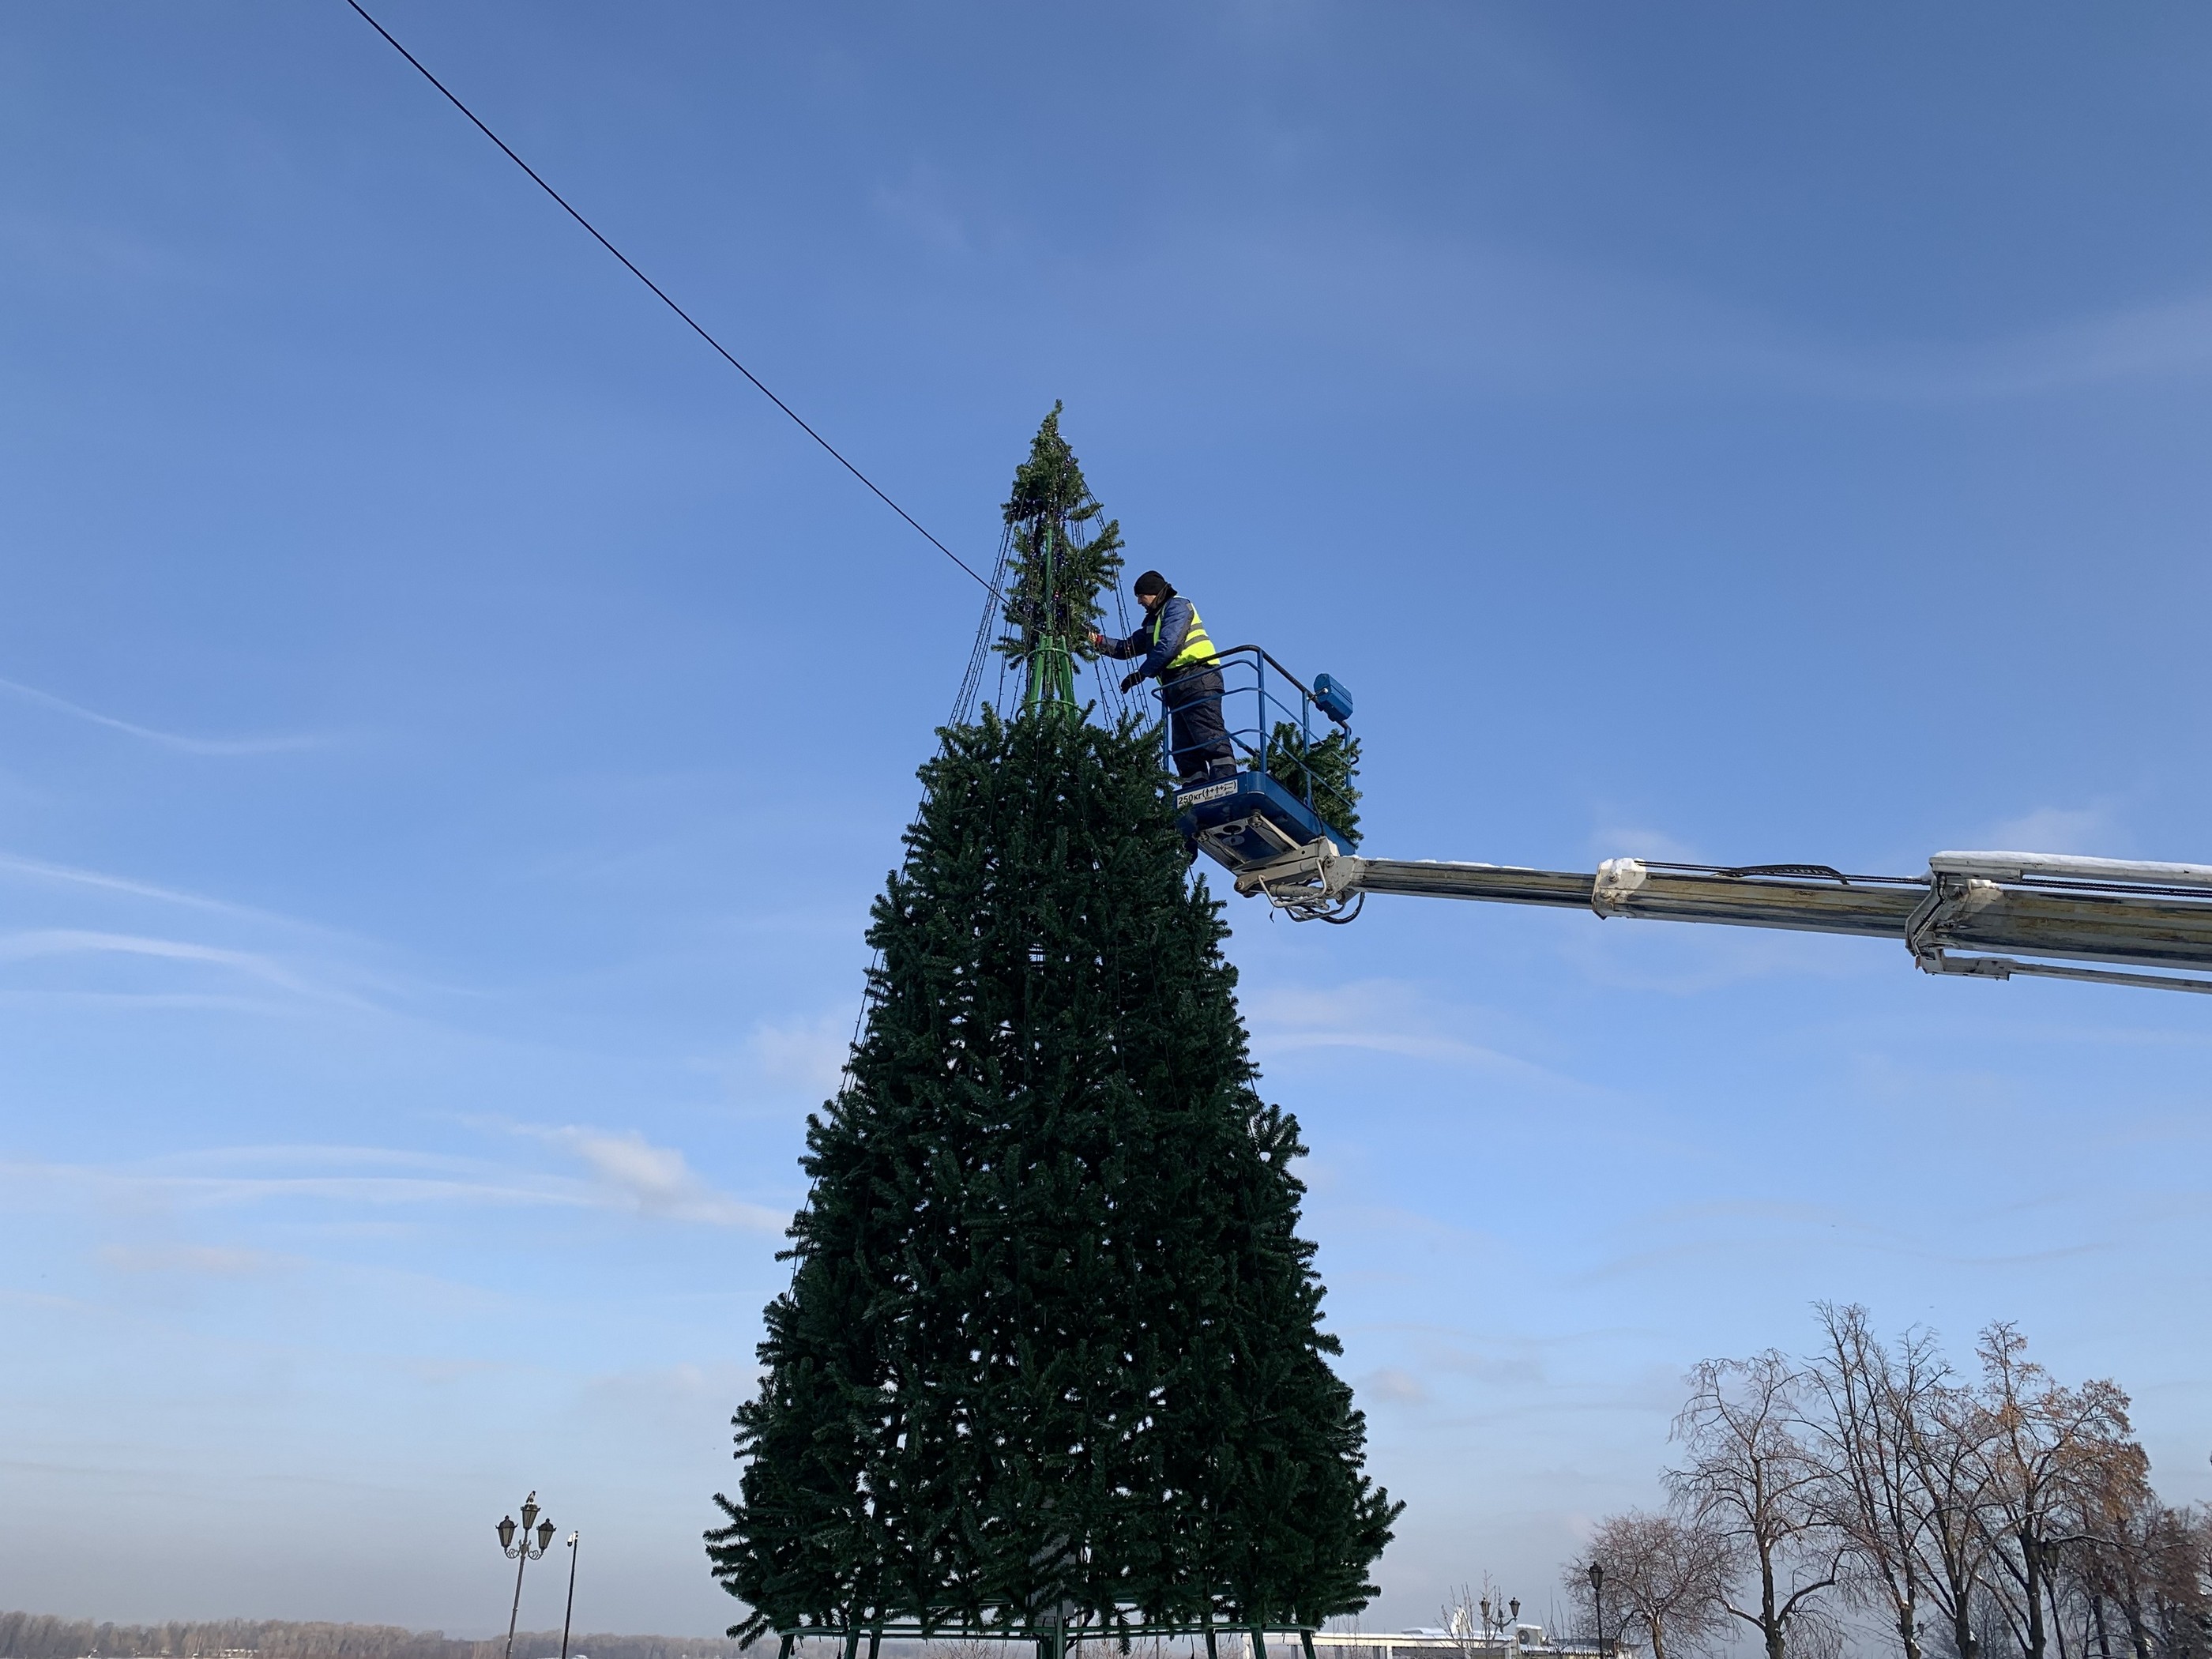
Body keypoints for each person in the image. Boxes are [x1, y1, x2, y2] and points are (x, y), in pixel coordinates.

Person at [1093, 570, 1236, 784]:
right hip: (1177, 687)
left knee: (1208, 734)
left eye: (1141, 595)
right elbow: (1126, 647)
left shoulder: (1178, 606)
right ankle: (1194, 790)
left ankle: (1226, 783)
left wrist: (1141, 674)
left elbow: (1169, 645)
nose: (1139, 601)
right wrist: (1094, 639)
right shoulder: (1154, 622)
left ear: (1153, 592)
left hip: (1199, 677)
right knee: (1183, 746)